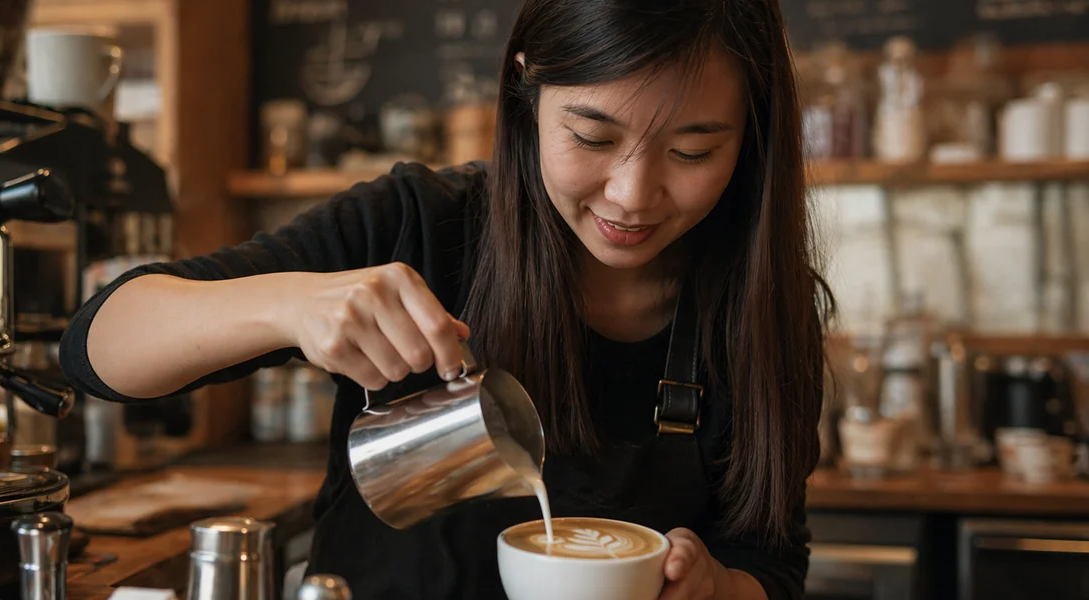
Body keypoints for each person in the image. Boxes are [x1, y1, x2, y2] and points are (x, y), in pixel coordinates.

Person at [60, 0, 835, 598]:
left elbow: (770, 559)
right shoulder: (421, 225)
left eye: (692, 150)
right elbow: (97, 346)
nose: (631, 194)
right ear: (527, 88)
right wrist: (291, 304)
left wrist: (718, 586)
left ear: (752, 132)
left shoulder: (760, 302)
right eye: (592, 138)